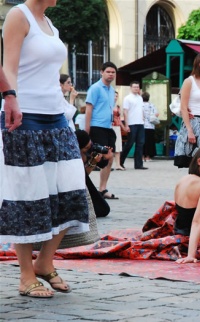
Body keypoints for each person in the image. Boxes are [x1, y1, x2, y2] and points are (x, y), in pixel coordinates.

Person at [1, 0, 89, 298]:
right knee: (28, 197)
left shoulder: (51, 25)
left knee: (73, 191)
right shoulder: (18, 15)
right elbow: (8, 67)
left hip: (56, 116)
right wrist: (11, 101)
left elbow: (51, 75)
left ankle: (45, 262)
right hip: (24, 116)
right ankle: (26, 276)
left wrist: (66, 111)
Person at [85, 61, 118, 199]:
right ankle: (81, 184)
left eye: (113, 72)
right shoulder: (95, 88)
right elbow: (89, 109)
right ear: (101, 72)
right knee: (97, 158)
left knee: (110, 158)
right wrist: (87, 129)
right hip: (96, 127)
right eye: (108, 72)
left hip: (108, 127)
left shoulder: (111, 90)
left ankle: (102, 189)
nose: (110, 74)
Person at [120, 81, 147, 170]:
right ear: (131, 88)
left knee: (140, 144)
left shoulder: (140, 98)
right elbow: (125, 111)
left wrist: (143, 118)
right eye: (134, 87)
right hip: (132, 123)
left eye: (137, 87)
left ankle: (138, 164)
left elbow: (141, 109)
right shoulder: (127, 98)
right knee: (129, 143)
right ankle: (120, 161)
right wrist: (126, 125)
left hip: (140, 123)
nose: (136, 88)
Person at [142, 91, 158, 162]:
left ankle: (142, 156)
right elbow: (156, 114)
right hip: (151, 126)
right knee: (149, 142)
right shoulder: (152, 105)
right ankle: (148, 157)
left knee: (142, 142)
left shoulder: (140, 105)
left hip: (142, 125)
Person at [112, 91, 126, 170]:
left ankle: (118, 164)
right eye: (114, 96)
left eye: (117, 96)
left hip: (117, 126)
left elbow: (119, 118)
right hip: (109, 126)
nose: (115, 97)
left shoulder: (117, 106)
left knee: (118, 145)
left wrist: (123, 127)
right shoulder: (108, 105)